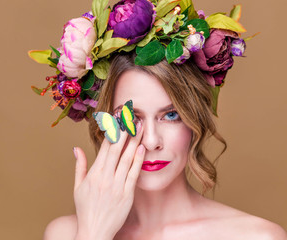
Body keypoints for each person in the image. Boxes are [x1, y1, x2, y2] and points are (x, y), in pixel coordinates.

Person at [28, 0, 287, 239]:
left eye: (171, 115)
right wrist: (94, 232)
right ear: (102, 123)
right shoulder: (65, 234)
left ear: (194, 119)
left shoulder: (257, 237)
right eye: (130, 117)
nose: (151, 141)